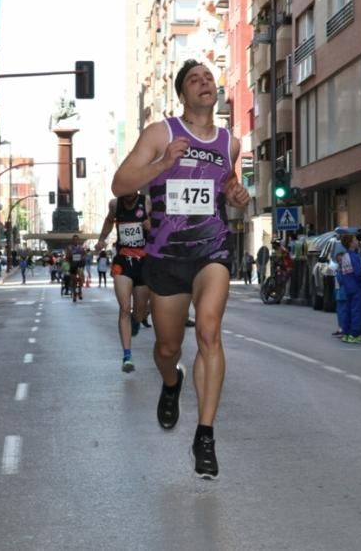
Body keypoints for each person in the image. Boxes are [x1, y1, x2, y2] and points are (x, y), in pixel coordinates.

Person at [110, 59, 250, 480]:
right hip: (166, 256)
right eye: (195, 79)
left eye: (209, 77)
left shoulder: (231, 143)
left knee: (209, 332)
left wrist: (236, 193)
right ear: (183, 94)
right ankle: (171, 384)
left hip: (212, 250)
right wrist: (163, 164)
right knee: (168, 348)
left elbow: (226, 187)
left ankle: (205, 435)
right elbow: (121, 184)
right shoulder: (161, 133)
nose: (205, 82)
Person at [95, 193, 152, 373]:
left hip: (144, 261)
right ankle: (127, 355)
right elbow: (108, 221)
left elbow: (161, 224)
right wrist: (101, 239)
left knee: (141, 309)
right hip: (123, 262)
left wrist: (151, 227)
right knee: (125, 308)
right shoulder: (114, 204)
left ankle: (138, 319)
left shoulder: (147, 202)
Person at [335, 233, 361, 343]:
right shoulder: (354, 257)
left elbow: (341, 275)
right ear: (350, 243)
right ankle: (354, 335)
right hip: (357, 287)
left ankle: (346, 333)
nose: (357, 241)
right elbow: (359, 273)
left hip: (348, 287)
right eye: (355, 240)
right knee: (356, 312)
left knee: (348, 311)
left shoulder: (344, 257)